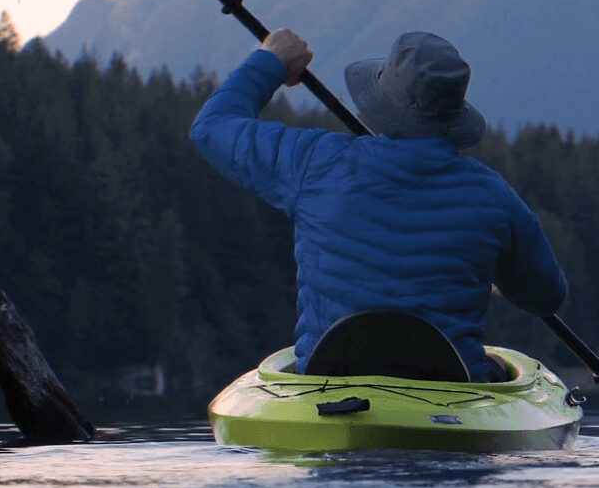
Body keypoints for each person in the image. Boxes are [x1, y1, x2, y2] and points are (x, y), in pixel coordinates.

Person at [190, 29, 567, 382]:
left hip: (327, 382)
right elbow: (546, 297)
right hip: (451, 388)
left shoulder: (314, 163)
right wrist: (496, 276)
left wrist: (269, 61)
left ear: (381, 105)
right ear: (455, 114)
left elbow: (212, 127)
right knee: (498, 368)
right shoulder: (493, 196)